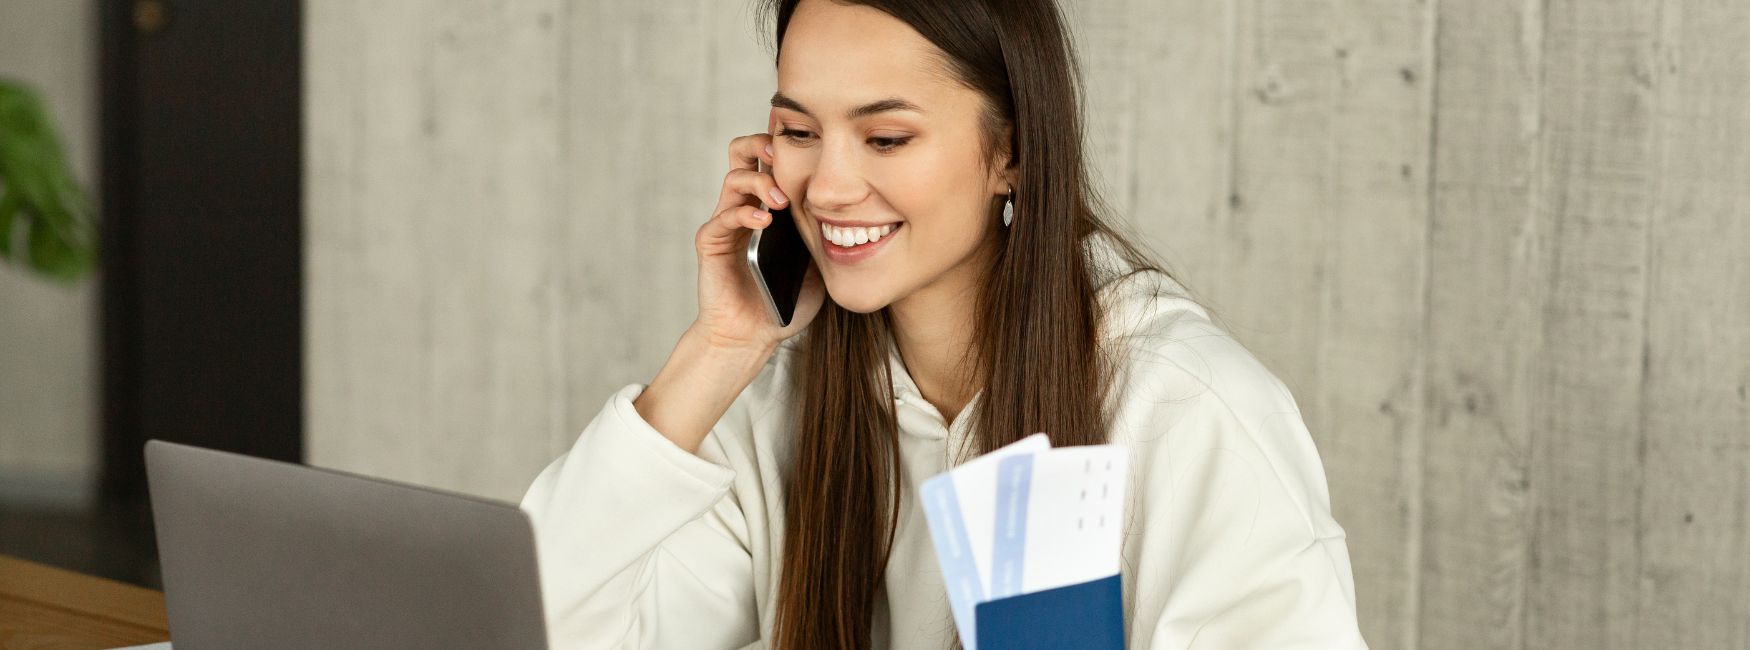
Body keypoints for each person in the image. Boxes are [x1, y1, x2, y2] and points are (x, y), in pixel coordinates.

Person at [520, 0, 1369, 647]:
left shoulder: (1182, 408)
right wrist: (718, 350)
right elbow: (539, 627)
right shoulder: (780, 403)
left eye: (886, 137)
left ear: (1012, 153)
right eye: (797, 130)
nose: (826, 187)